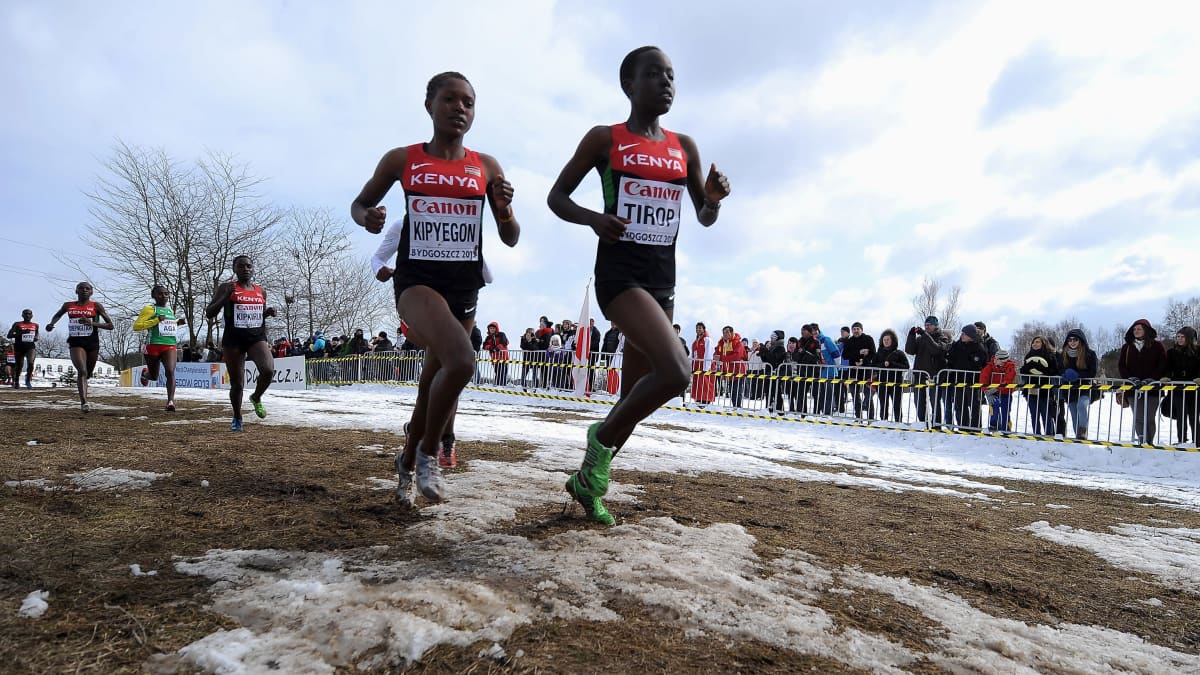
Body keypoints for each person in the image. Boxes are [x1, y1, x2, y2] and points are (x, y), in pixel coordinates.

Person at [547, 45, 730, 525]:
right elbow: (556, 196)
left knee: (631, 399)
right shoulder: (605, 139)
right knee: (676, 372)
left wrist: (711, 200)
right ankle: (598, 445)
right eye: (654, 74)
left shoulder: (684, 146)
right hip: (619, 277)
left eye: (671, 75)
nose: (666, 82)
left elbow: (704, 217)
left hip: (661, 282)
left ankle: (587, 483)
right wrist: (593, 219)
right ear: (629, 85)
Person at [352, 71, 520, 505]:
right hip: (417, 283)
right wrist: (366, 217)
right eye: (450, 100)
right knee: (461, 361)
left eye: (468, 102)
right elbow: (360, 203)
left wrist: (502, 211)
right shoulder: (402, 159)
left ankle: (406, 461)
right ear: (429, 105)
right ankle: (429, 452)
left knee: (431, 384)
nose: (459, 108)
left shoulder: (486, 166)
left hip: (464, 287)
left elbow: (512, 236)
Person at [204, 255, 276, 431]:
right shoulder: (227, 287)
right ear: (234, 268)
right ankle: (237, 416)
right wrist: (225, 297)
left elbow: (255, 314)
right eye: (241, 266)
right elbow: (209, 313)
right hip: (233, 340)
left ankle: (256, 397)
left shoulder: (260, 291)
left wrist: (267, 313)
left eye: (249, 266)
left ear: (253, 269)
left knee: (268, 370)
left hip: (256, 338)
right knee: (237, 383)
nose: (246, 269)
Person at [45, 281, 114, 412]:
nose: (84, 290)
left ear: (91, 292)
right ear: (76, 291)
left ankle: (84, 385)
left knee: (87, 372)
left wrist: (92, 323)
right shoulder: (68, 305)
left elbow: (110, 325)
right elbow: (58, 314)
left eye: (87, 288)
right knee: (82, 371)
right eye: (81, 288)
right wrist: (51, 324)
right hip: (75, 342)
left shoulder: (96, 306)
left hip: (92, 342)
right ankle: (84, 402)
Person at [132, 285, 186, 411]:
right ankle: (145, 374)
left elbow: (167, 327)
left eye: (166, 294)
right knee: (154, 376)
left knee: (170, 371)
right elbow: (137, 326)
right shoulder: (149, 309)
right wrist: (155, 320)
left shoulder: (170, 311)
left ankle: (170, 401)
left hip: (170, 345)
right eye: (160, 294)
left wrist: (178, 323)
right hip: (153, 345)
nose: (164, 296)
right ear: (154, 296)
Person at [1118, 318, 1168, 445]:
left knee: (1149, 418)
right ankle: (1141, 441)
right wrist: (1129, 378)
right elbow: (1122, 365)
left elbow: (1162, 365)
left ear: (1146, 330)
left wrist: (1152, 379)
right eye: (1134, 329)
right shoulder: (1127, 347)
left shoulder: (1157, 346)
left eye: (1139, 329)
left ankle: (1149, 442)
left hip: (1152, 389)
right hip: (1133, 388)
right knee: (1138, 417)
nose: (1136, 331)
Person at [905, 316, 952, 427]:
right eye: (925, 325)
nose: (927, 327)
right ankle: (923, 423)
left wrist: (924, 335)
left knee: (934, 402)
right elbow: (909, 350)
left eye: (929, 325)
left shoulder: (942, 338)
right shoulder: (920, 339)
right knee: (919, 402)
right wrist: (911, 335)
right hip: (920, 375)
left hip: (934, 376)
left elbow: (935, 350)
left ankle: (936, 424)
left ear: (935, 326)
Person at [1057, 329, 1098, 440]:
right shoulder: (1063, 354)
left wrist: (1078, 375)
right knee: (1074, 413)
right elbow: (1059, 369)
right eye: (1069, 340)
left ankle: (1082, 432)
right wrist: (1064, 374)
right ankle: (1078, 439)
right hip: (1069, 389)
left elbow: (1092, 372)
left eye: (1075, 339)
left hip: (1085, 387)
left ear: (1080, 340)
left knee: (1081, 406)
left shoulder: (1089, 354)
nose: (1072, 342)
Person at [1164, 326, 1200, 445]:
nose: (1179, 339)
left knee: (1194, 415)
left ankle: (1197, 441)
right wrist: (1167, 376)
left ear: (1189, 338)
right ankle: (1181, 440)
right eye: (1178, 337)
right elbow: (1168, 367)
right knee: (1181, 415)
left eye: (1182, 337)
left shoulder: (1198, 351)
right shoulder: (1172, 352)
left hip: (1194, 388)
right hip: (1178, 388)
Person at [1019, 335, 1060, 435]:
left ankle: (1049, 435)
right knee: (1034, 414)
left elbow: (1055, 371)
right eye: (1033, 342)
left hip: (1045, 390)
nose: (1035, 344)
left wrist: (1042, 370)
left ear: (1043, 344)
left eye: (1037, 342)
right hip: (1031, 389)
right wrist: (1026, 369)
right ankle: (1036, 434)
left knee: (1046, 414)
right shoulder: (1028, 356)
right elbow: (1023, 372)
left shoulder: (1050, 356)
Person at [870, 329, 909, 422]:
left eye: (888, 339)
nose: (886, 341)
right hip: (882, 382)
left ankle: (898, 422)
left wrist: (892, 364)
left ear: (893, 340)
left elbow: (906, 366)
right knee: (883, 404)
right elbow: (873, 365)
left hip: (896, 382)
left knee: (897, 404)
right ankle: (883, 421)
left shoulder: (899, 353)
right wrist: (883, 364)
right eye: (884, 340)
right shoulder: (878, 353)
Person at [980, 349, 1016, 431]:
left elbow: (1008, 380)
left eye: (998, 359)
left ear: (1003, 360)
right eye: (995, 358)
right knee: (993, 407)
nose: (995, 360)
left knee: (1005, 411)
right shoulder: (990, 365)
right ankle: (993, 425)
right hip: (992, 393)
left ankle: (1006, 428)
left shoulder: (1010, 367)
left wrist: (995, 389)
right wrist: (986, 391)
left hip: (1006, 392)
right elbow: (983, 378)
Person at [715, 325, 747, 408]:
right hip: (728, 370)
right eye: (723, 332)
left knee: (737, 390)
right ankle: (735, 407)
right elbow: (717, 353)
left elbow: (737, 356)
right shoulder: (721, 343)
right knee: (732, 390)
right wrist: (717, 356)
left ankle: (738, 407)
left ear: (732, 333)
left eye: (727, 332)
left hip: (738, 370)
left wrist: (722, 358)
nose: (725, 334)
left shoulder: (738, 343)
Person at [6, 309, 39, 389]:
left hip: (30, 347)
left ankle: (28, 381)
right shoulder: (17, 324)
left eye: (29, 314)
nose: (27, 315)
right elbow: (9, 335)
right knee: (19, 365)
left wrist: (36, 338)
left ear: (32, 316)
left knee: (31, 363)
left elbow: (37, 334)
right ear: (22, 315)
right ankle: (16, 380)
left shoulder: (35, 325)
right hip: (19, 347)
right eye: (26, 314)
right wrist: (21, 333)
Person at [690, 322, 716, 407]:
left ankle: (706, 401)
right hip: (697, 364)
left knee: (705, 383)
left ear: (704, 329)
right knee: (698, 383)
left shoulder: (707, 339)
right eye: (697, 328)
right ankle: (698, 399)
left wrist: (706, 367)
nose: (698, 330)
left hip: (705, 364)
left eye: (700, 328)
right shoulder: (695, 341)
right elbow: (693, 354)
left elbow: (708, 353)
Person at [483, 322, 510, 386]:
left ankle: (502, 387)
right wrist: (490, 347)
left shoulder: (501, 334)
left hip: (503, 358)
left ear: (496, 328)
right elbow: (484, 346)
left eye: (493, 328)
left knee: (503, 373)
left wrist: (498, 348)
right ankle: (498, 387)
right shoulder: (488, 337)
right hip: (494, 359)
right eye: (490, 328)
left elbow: (505, 342)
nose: (492, 329)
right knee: (497, 373)